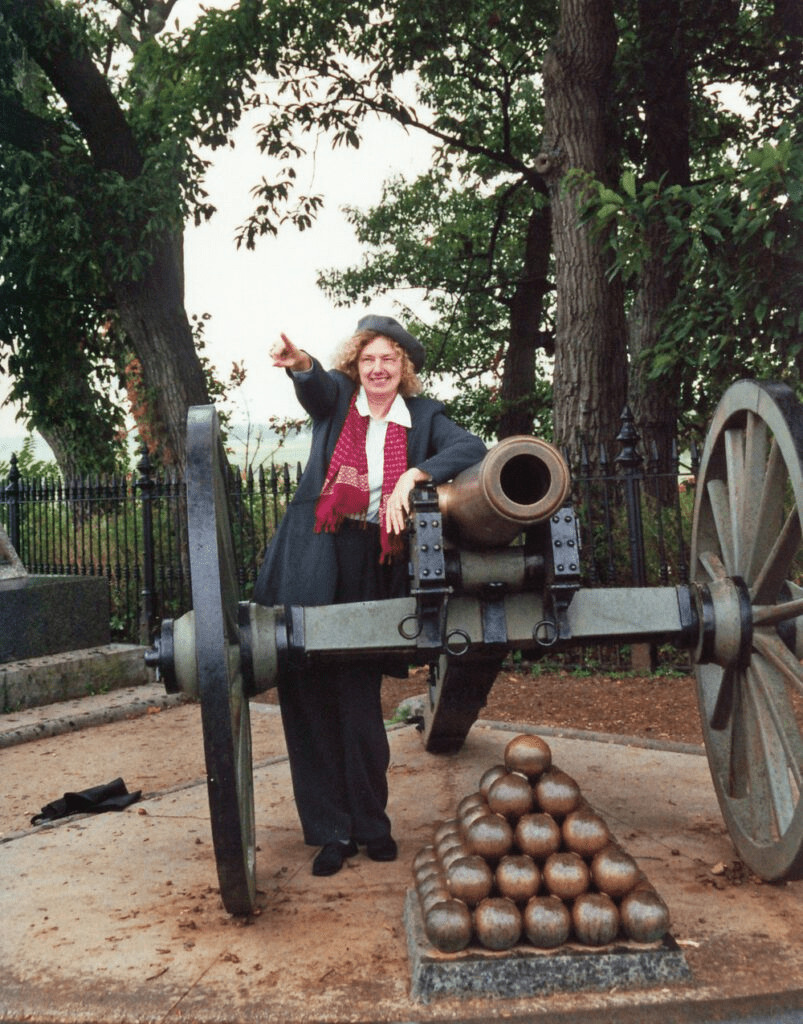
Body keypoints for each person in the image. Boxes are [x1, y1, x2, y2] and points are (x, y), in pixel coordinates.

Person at [254, 314, 487, 876]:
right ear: (355, 366)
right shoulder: (338, 400)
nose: (378, 369)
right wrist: (301, 364)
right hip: (314, 555)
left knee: (358, 702)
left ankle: (370, 824)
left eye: (389, 359)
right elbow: (313, 386)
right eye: (368, 359)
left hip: (372, 563)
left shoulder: (425, 416)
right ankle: (330, 832)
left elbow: (471, 447)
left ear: (402, 368)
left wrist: (415, 475)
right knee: (308, 693)